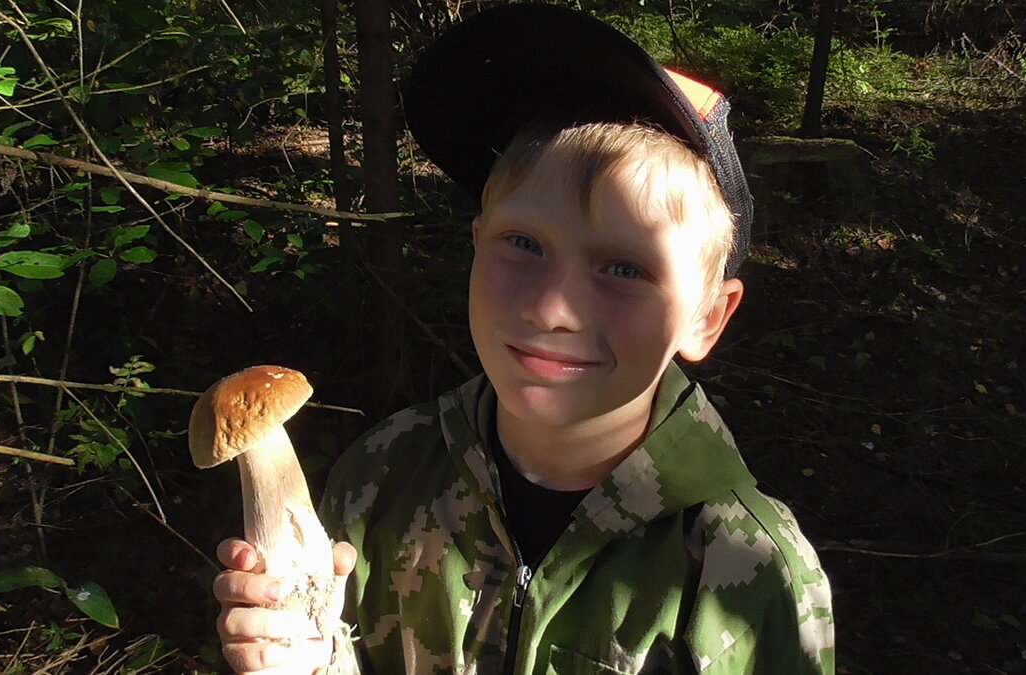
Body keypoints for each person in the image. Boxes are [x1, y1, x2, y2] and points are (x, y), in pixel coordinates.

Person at [213, 4, 834, 674]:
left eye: (624, 268)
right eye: (524, 244)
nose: (551, 308)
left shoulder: (743, 569)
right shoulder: (379, 482)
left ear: (706, 317)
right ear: (477, 245)